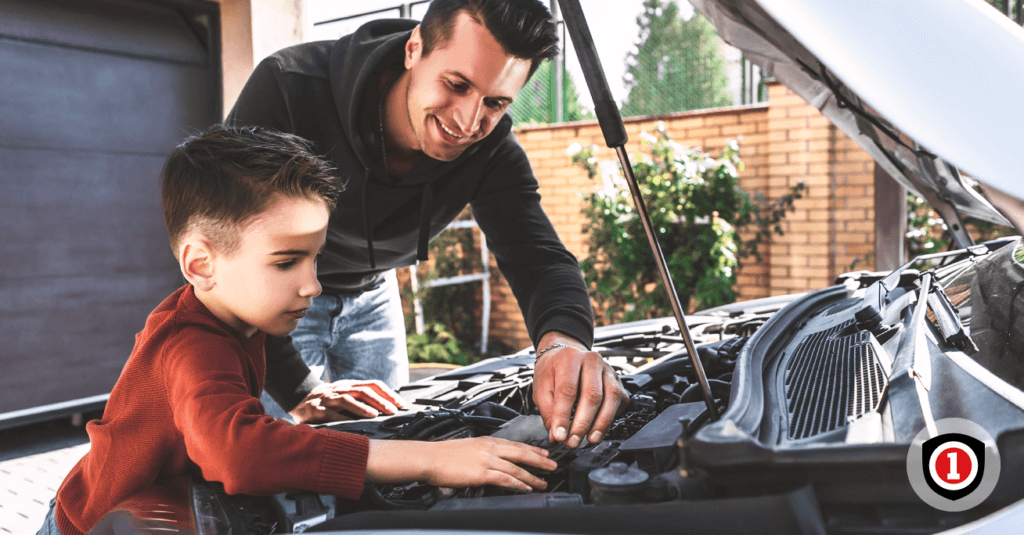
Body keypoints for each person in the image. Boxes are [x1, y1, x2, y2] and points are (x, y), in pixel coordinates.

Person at [37, 125, 557, 535]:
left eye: (315, 257)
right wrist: (431, 459)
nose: (312, 285)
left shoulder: (236, 317)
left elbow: (205, 424)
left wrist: (300, 411)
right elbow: (238, 454)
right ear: (200, 265)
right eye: (287, 261)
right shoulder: (191, 344)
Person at [227, 0, 628, 449]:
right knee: (288, 472)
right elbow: (233, 250)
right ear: (414, 48)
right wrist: (300, 390)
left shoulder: (491, 146)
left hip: (375, 294)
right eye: (457, 84)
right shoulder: (290, 89)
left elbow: (538, 257)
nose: (468, 121)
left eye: (495, 102)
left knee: (398, 453)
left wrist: (564, 344)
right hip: (277, 301)